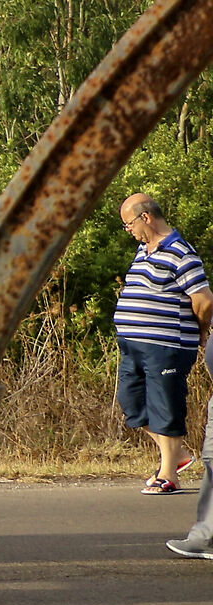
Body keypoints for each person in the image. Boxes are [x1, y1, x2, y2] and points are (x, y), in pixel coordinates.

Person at [112, 193, 208, 495]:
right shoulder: (144, 250)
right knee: (132, 403)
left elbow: (204, 300)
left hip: (167, 345)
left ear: (146, 217)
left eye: (129, 224)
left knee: (165, 407)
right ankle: (177, 456)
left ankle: (168, 475)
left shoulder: (181, 253)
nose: (129, 231)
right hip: (133, 345)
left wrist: (201, 331)